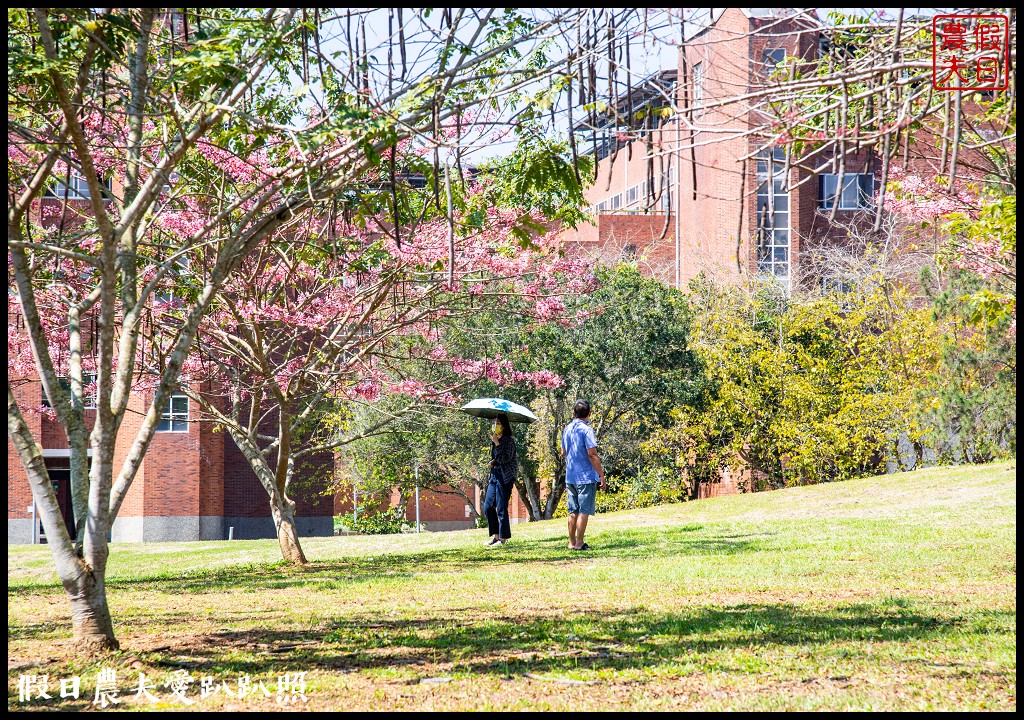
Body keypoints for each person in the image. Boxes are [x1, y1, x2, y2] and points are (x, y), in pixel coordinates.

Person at [561, 399, 606, 551]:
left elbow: (563, 452)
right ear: (589, 414)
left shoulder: (567, 429)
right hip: (585, 477)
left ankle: (571, 542)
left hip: (570, 476)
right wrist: (601, 475)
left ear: (574, 413)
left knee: (572, 510)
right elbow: (592, 455)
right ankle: (580, 542)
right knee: (584, 510)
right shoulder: (587, 430)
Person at [483, 413, 517, 546]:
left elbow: (505, 459)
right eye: (493, 423)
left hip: (505, 477)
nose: (495, 426)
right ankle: (496, 536)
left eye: (497, 423)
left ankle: (503, 538)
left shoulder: (508, 440)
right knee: (488, 506)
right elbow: (497, 458)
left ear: (503, 426)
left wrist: (497, 444)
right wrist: (492, 462)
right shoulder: (495, 439)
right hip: (494, 476)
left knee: (502, 507)